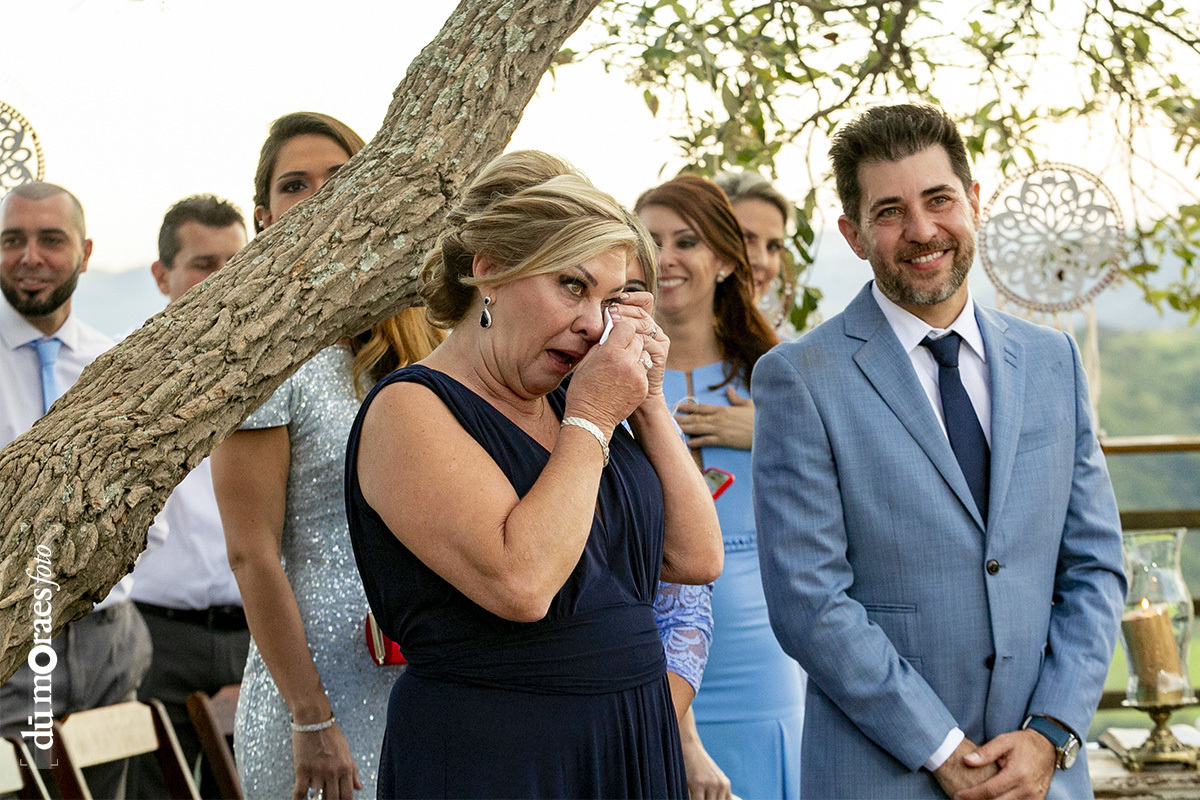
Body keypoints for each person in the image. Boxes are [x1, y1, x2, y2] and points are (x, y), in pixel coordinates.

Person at [752, 103, 1126, 799]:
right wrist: (943, 749)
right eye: (889, 211)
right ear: (854, 235)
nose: (922, 231)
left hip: (1044, 776)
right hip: (884, 775)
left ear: (974, 203)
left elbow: (1096, 567)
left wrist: (1051, 732)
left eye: (939, 199)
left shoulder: (1052, 361)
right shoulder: (800, 379)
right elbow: (809, 600)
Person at [346, 149, 724, 799]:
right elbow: (521, 582)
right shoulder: (409, 409)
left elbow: (697, 556)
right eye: (572, 286)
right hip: (500, 754)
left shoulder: (574, 403)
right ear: (489, 270)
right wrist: (594, 419)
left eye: (609, 299)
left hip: (632, 737)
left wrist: (650, 401)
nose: (590, 323)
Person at [211, 112, 442, 800]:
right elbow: (253, 553)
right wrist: (311, 717)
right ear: (264, 217)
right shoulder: (258, 358)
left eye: (340, 178)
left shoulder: (421, 342)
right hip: (313, 695)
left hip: (422, 682)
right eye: (295, 185)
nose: (320, 196)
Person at [636, 175, 805, 800]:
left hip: (761, 639)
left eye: (687, 241)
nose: (668, 259)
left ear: (727, 262)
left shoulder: (780, 374)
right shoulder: (599, 372)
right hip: (643, 638)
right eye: (651, 243)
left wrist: (770, 430)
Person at [0, 181, 157, 798]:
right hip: (14, 638)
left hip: (108, 638)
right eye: (13, 240)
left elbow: (149, 506)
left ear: (86, 252)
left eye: (51, 240)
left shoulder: (116, 365)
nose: (30, 256)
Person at [128, 193, 251, 799]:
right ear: (162, 275)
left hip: (256, 628)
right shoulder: (123, 379)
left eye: (237, 262)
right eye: (205, 264)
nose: (223, 280)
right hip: (161, 640)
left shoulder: (273, 369)